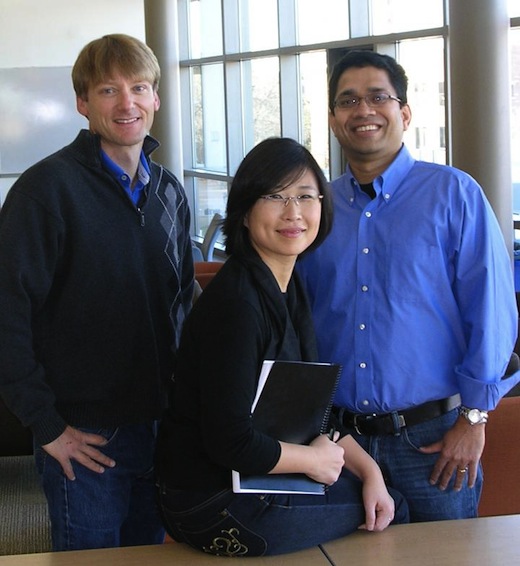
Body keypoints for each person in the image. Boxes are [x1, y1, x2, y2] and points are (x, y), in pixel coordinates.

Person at [155, 137, 409, 557]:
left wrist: (370, 470)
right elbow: (229, 441)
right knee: (398, 508)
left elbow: (310, 413)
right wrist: (312, 462)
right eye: (275, 197)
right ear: (245, 212)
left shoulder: (288, 288)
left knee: (380, 495)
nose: (293, 213)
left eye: (305, 196)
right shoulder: (237, 304)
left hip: (251, 483)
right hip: (211, 502)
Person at [297, 50, 520, 523]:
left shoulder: (454, 194)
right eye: (348, 100)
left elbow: (493, 313)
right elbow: (299, 318)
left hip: (435, 440)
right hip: (339, 442)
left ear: (404, 112)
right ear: (335, 120)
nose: (363, 110)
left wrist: (474, 419)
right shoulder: (317, 207)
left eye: (378, 97)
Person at [0, 34, 194, 551]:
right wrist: (45, 424)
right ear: (82, 103)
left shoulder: (170, 191)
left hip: (162, 429)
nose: (126, 103)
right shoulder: (45, 192)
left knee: (154, 555)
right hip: (84, 438)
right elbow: (7, 315)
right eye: (108, 90)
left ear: (155, 98)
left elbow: (182, 304)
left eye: (138, 88)